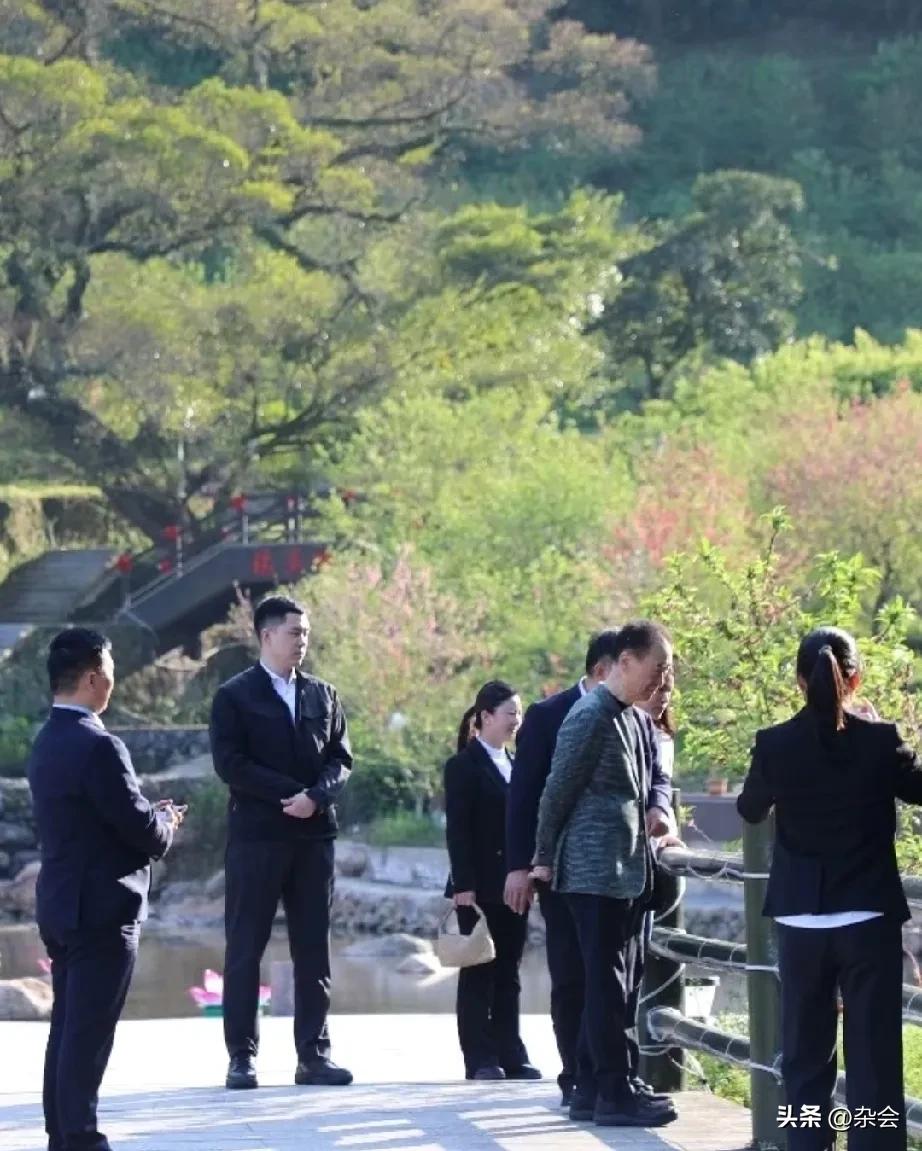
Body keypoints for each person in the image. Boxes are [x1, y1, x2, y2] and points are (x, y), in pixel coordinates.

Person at [738, 626, 922, 1151]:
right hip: (867, 918)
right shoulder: (880, 742)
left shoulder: (775, 744)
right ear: (855, 679)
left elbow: (750, 809)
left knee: (803, 1060)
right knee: (874, 1062)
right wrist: (891, 741)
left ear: (800, 681)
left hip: (801, 920)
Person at [504, 630, 675, 1107]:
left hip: (621, 872)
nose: (662, 681)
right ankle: (605, 1088)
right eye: (657, 669)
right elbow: (552, 794)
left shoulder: (631, 717)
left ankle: (603, 1086)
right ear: (625, 661)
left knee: (613, 984)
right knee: (595, 984)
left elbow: (650, 783)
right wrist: (538, 859)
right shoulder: (588, 715)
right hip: (590, 871)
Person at [28, 628, 182, 1151]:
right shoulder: (100, 745)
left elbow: (95, 820)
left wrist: (148, 816)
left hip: (61, 904)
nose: (114, 681)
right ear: (94, 677)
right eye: (111, 671)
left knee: (67, 1030)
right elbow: (143, 831)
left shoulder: (47, 740)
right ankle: (81, 1139)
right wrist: (166, 822)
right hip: (101, 910)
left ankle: (62, 1135)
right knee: (87, 1035)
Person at [210, 594, 353, 1090]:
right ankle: (241, 1057)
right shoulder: (235, 696)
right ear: (267, 635)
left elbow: (341, 758)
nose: (302, 641)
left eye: (306, 633)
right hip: (258, 837)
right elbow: (231, 764)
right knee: (244, 947)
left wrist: (316, 797)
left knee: (313, 949)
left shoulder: (323, 695)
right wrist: (288, 794)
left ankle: (314, 1055)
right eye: (294, 633)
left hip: (314, 837)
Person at [444, 680, 541, 1082]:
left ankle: (510, 1051)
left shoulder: (517, 764)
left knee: (509, 970)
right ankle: (479, 1056)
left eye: (519, 713)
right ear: (485, 716)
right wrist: (463, 886)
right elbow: (458, 830)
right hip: (478, 886)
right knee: (478, 969)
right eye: (509, 713)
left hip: (515, 884)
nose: (516, 721)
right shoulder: (463, 766)